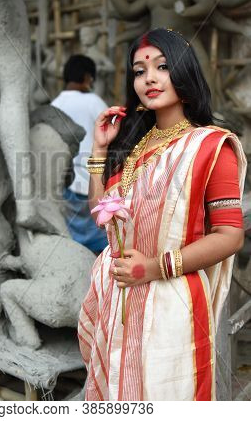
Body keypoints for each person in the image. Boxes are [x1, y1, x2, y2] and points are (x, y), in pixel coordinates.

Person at [77, 28, 247, 400]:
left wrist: (153, 268)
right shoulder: (133, 145)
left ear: (184, 71)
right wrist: (99, 151)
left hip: (171, 299)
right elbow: (101, 216)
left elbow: (230, 235)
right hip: (117, 295)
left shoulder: (210, 145)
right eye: (139, 71)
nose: (149, 78)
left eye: (162, 66)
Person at [51, 54, 108, 254]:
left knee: (75, 239)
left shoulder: (55, 105)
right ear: (87, 78)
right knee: (102, 238)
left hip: (65, 183)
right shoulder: (93, 101)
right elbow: (111, 133)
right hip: (94, 180)